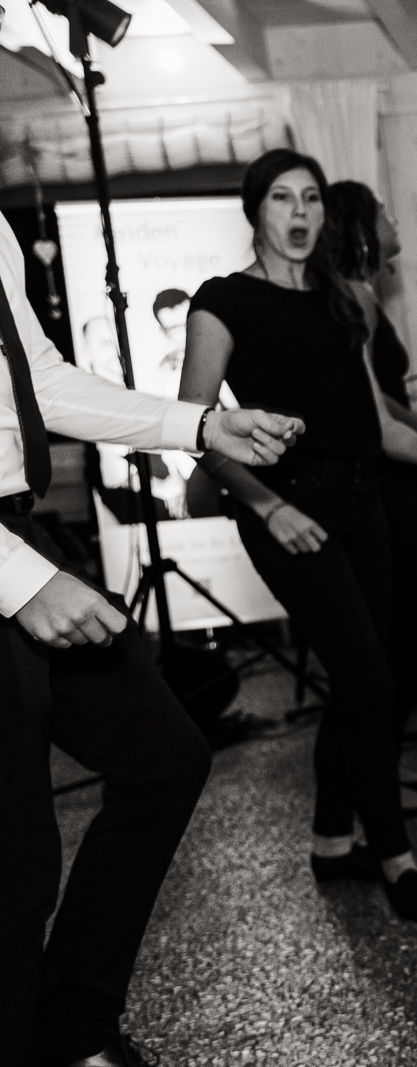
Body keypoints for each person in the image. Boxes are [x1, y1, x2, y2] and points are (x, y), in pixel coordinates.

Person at [0, 213, 303, 1064]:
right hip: (7, 559)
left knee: (166, 754)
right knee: (15, 874)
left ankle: (72, 1030)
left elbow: (43, 380)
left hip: (22, 532)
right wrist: (17, 581)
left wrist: (197, 426)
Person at [179, 148, 417, 924]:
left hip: (362, 506)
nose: (300, 212)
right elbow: (199, 429)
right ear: (256, 211)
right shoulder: (222, 302)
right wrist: (267, 506)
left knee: (360, 680)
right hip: (286, 511)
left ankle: (328, 840)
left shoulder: (349, 299)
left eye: (310, 197)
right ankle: (396, 857)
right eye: (282, 197)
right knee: (372, 683)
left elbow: (375, 426)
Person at [325, 179, 417, 816]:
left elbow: (380, 400)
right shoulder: (354, 300)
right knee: (405, 627)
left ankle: (390, 766)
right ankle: (378, 778)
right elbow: (371, 415)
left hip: (393, 467)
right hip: (381, 479)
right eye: (383, 211)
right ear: (359, 227)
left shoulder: (364, 294)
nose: (393, 217)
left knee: (406, 625)